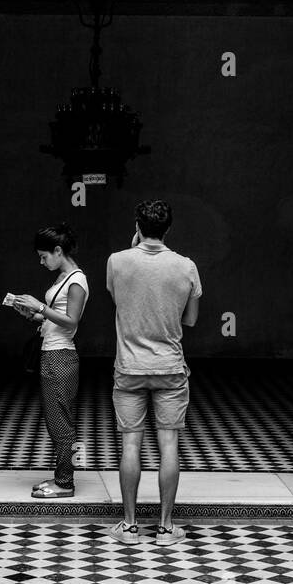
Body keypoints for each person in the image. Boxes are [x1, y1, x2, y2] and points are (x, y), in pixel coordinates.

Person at [105, 199, 201, 545]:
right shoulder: (186, 266)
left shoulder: (117, 261)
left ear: (137, 225)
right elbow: (190, 319)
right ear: (169, 228)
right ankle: (165, 527)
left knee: (130, 444)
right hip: (170, 368)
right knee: (169, 444)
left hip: (129, 368)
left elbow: (120, 299)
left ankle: (129, 526)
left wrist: (133, 250)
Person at [12, 223, 89, 499]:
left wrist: (40, 306)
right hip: (51, 352)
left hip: (61, 357)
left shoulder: (76, 281)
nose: (42, 261)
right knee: (55, 419)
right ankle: (60, 475)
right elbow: (54, 318)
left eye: (44, 256)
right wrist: (32, 314)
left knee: (60, 422)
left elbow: (71, 321)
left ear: (59, 251)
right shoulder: (62, 279)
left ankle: (65, 483)